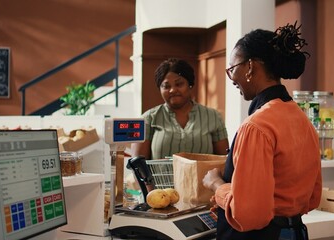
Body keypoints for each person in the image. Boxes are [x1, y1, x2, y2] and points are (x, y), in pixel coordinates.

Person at [203, 22, 322, 240]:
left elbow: (249, 215)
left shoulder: (256, 127)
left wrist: (216, 184)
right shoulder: (301, 120)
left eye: (232, 69)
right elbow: (313, 198)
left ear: (250, 67)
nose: (232, 79)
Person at [130, 58, 229, 190]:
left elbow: (223, 162)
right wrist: (151, 197)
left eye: (179, 84)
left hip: (203, 196)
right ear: (159, 88)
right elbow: (138, 165)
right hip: (162, 196)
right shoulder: (149, 119)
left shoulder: (212, 117)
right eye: (166, 86)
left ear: (190, 84)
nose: (172, 90)